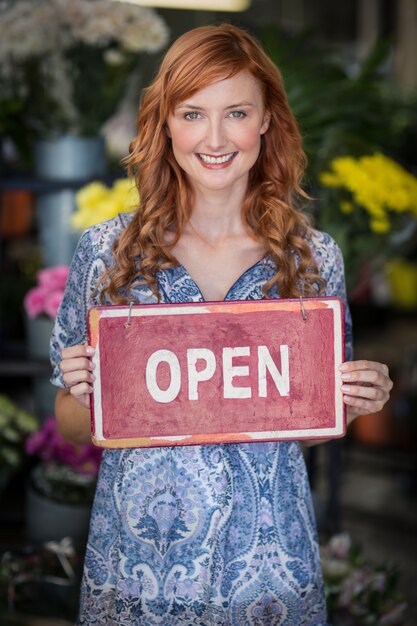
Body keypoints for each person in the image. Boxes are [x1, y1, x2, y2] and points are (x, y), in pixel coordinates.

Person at [51, 23, 393, 625]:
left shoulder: (312, 260)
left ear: (266, 120)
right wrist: (86, 390)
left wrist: (354, 400)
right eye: (192, 113)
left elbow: (305, 425)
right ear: (165, 123)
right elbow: (73, 426)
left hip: (268, 576)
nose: (214, 137)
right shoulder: (107, 254)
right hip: (140, 576)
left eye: (236, 112)